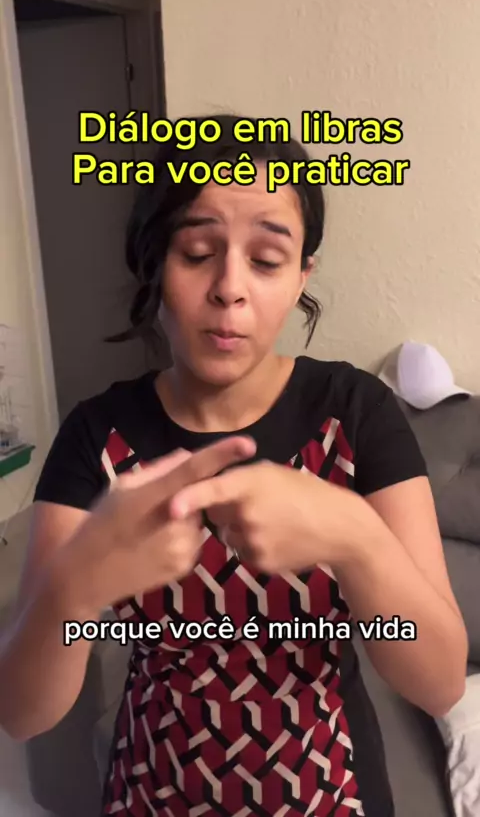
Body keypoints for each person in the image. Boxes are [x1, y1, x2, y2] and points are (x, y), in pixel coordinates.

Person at [0, 114, 467, 817]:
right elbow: (20, 713)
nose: (230, 288)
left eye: (267, 260)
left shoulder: (355, 412)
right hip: (152, 789)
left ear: (302, 274)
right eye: (196, 252)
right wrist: (72, 591)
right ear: (154, 263)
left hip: (334, 790)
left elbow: (440, 683)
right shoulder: (97, 435)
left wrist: (356, 538)